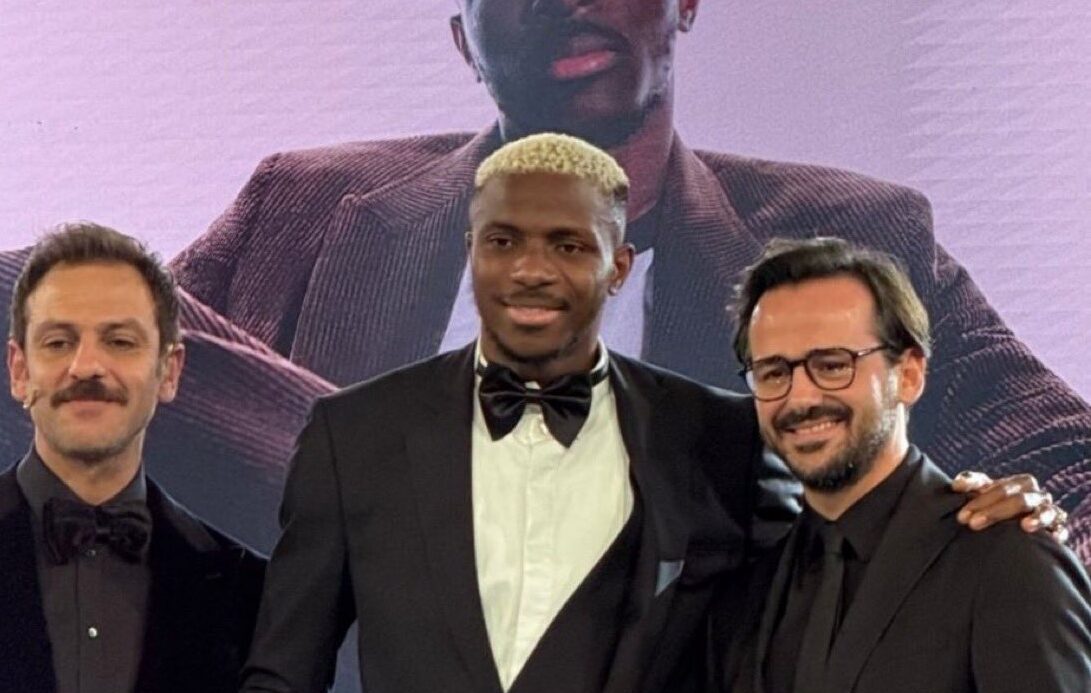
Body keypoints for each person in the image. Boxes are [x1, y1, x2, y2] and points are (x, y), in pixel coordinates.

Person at [161, 0, 1091, 560]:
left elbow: (1069, 462)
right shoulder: (307, 204)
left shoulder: (855, 234)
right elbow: (104, 351)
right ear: (463, 41)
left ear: (683, 2)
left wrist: (1032, 544)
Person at [239, 135, 1057, 693]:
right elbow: (278, 687)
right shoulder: (354, 433)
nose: (531, 270)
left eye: (568, 244)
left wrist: (996, 511)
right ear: (470, 251)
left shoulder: (718, 436)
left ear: (620, 265)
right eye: (503, 240)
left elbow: (836, 573)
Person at [709, 238, 1091, 693]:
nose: (800, 397)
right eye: (774, 372)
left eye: (832, 364)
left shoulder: (1007, 559)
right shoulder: (744, 596)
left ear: (909, 374)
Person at [0, 224, 265, 693]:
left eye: (120, 341)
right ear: (20, 371)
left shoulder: (252, 595)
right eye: (59, 342)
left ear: (169, 371)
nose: (86, 367)